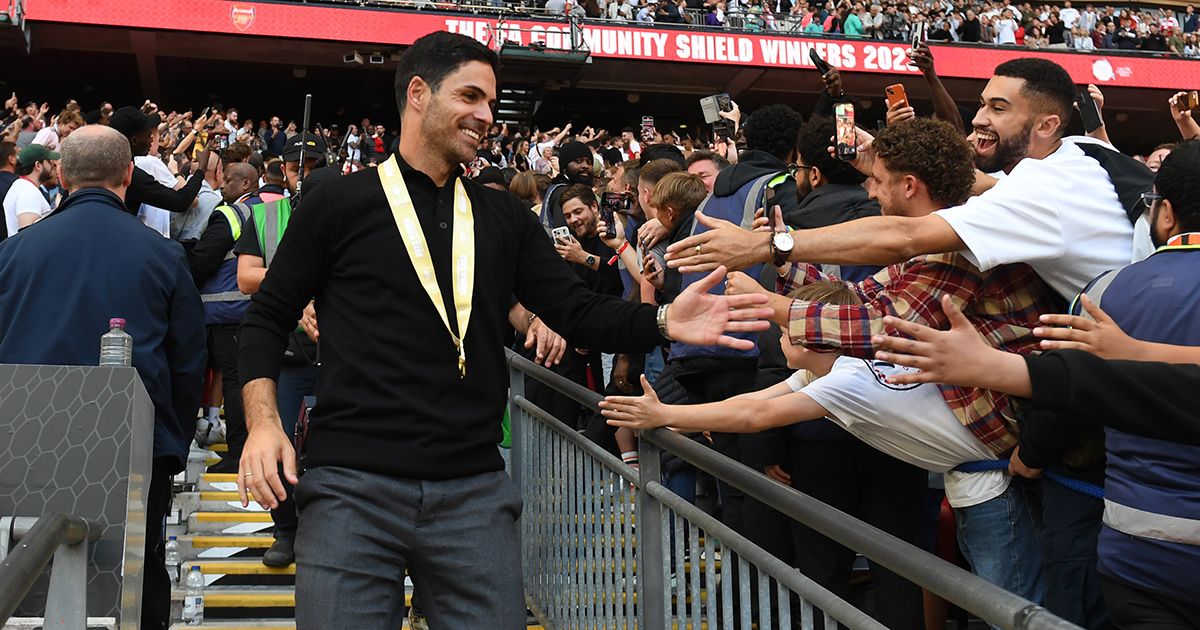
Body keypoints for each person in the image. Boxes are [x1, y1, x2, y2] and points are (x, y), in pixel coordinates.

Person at [235, 31, 770, 629]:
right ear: (418, 93)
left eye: (492, 102)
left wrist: (665, 319)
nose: (487, 116)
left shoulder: (503, 215)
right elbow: (266, 317)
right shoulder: (337, 200)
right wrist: (262, 423)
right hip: (350, 488)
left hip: (473, 491)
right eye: (471, 96)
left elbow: (577, 311)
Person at [665, 57, 1143, 628]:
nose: (980, 119)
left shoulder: (1009, 212)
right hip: (1064, 428)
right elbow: (876, 286)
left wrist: (770, 258)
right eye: (982, 103)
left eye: (998, 107)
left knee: (1043, 607)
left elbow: (896, 268)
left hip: (1084, 427)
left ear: (1045, 126)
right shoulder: (1049, 170)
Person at [0, 125, 206, 630]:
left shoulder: (13, 253)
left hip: (23, 442)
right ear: (129, 175)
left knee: (23, 573)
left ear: (63, 175)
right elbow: (188, 365)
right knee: (135, 575)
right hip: (134, 449)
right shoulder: (163, 254)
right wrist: (171, 445)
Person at [234, 132, 328, 568]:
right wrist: (296, 277)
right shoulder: (267, 217)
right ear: (283, 172)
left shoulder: (345, 212)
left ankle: (327, 529)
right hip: (286, 351)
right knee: (280, 440)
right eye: (296, 169)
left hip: (337, 351)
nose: (303, 177)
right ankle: (285, 530)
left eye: (312, 169)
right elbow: (247, 277)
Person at [189, 162, 261, 474]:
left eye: (229, 180)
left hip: (226, 311)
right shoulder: (271, 211)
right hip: (258, 309)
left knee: (233, 381)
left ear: (246, 183)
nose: (222, 186)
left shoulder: (232, 214)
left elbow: (203, 260)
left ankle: (237, 453)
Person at [3, 144, 57, 237]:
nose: (52, 165)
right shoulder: (27, 192)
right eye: (48, 161)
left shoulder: (23, 186)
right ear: (38, 165)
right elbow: (28, 234)